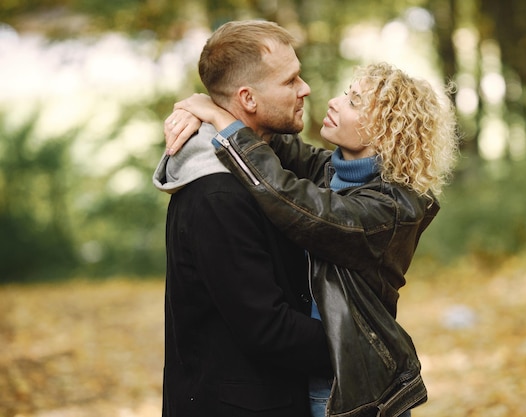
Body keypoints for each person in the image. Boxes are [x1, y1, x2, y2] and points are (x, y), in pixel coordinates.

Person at [165, 62, 459, 417]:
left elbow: (296, 203)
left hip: (348, 390)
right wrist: (220, 104)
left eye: (353, 102)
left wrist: (219, 118)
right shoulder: (336, 172)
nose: (334, 102)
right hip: (320, 374)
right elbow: (279, 146)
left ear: (385, 131)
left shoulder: (389, 209)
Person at [152, 20, 333, 417]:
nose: (305, 89)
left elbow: (333, 173)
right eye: (290, 81)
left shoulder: (264, 160)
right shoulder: (217, 194)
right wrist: (364, 345)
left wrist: (216, 113)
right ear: (248, 98)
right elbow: (268, 330)